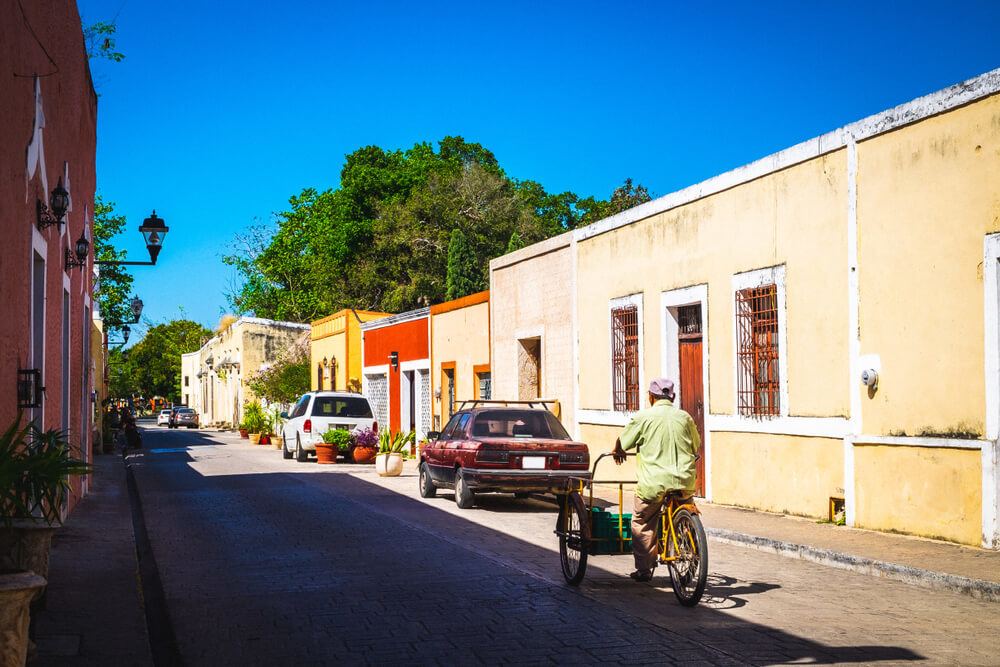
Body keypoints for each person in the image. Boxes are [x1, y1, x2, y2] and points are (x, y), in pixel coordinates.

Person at [613, 377, 700, 582]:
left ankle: (644, 570)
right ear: (673, 397)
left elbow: (624, 441)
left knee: (642, 522)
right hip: (684, 481)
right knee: (686, 508)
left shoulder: (644, 417)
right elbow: (696, 445)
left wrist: (618, 449)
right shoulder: (685, 417)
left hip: (653, 484)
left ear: (651, 397)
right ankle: (690, 547)